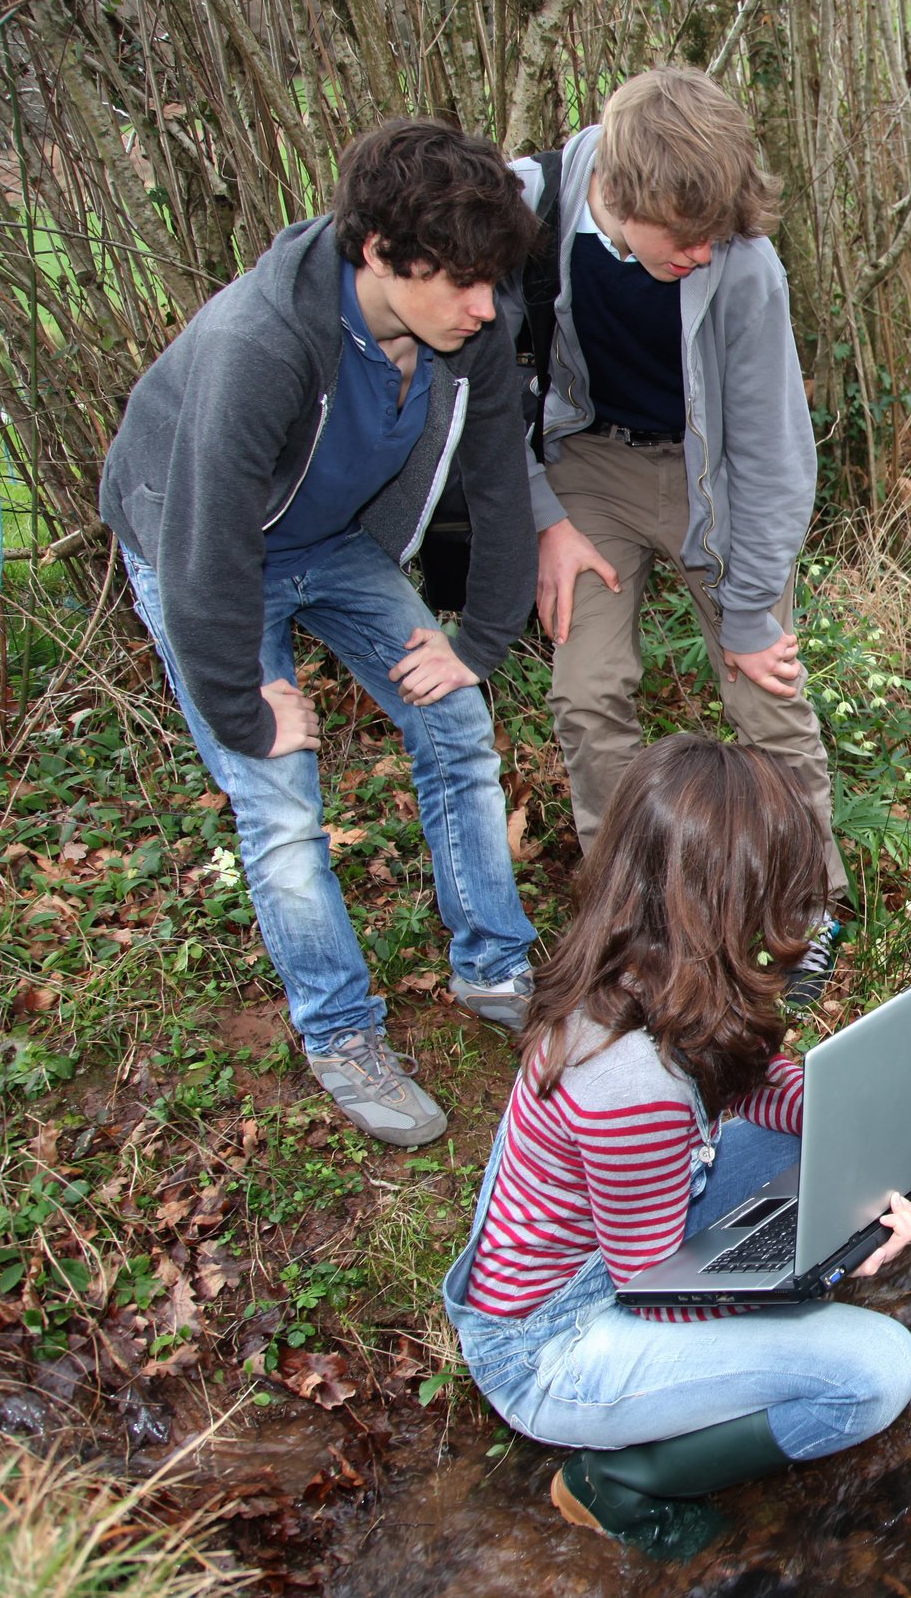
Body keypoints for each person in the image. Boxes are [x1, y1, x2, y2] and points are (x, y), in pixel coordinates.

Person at [97, 118, 544, 1149]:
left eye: (494, 282)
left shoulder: (467, 322)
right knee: (281, 799)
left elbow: (499, 479)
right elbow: (204, 540)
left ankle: (493, 964)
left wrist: (477, 640)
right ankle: (341, 1031)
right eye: (464, 283)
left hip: (331, 538)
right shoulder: (256, 344)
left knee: (456, 722)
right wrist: (239, 703)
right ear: (380, 254)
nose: (487, 308)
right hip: (202, 542)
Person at [440, 733, 911, 1561]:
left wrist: (861, 1118)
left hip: (611, 1251)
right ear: (735, 900)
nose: (806, 915)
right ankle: (620, 1480)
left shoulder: (651, 967)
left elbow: (748, 1082)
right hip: (556, 1340)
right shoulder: (632, 1086)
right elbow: (658, 1292)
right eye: (790, 890)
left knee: (804, 1163)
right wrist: (831, 1259)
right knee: (877, 1371)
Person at [512, 66, 844, 992]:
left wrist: (748, 615)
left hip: (718, 481)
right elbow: (480, 381)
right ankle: (630, 912)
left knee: (765, 689)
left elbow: (777, 451)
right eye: (683, 240)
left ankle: (803, 908)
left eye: (714, 237)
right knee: (588, 694)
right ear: (618, 196)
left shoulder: (744, 262)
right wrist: (543, 517)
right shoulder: (527, 209)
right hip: (592, 473)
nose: (701, 255)